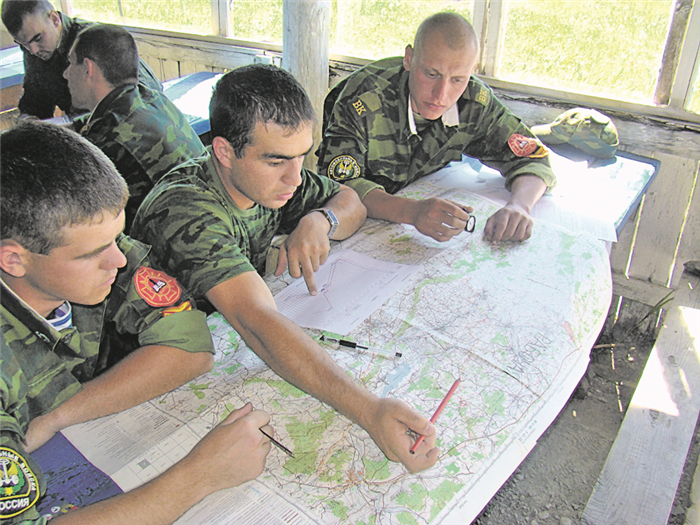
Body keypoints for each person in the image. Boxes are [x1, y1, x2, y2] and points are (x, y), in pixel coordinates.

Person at [132, 64, 440, 474]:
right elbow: (257, 321)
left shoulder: (267, 178)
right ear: (224, 152)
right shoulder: (186, 209)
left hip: (215, 346)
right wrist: (369, 410)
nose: (295, 177)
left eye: (302, 157)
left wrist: (319, 221)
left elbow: (352, 201)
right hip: (146, 375)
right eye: (277, 160)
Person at [0, 121, 272, 524]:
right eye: (94, 253)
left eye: (117, 238)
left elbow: (191, 346)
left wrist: (57, 415)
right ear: (13, 260)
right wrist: (198, 476)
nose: (120, 260)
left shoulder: (89, 250)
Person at [316, 12, 557, 244]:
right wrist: (412, 212)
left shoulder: (473, 102)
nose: (442, 94)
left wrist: (519, 206)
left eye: (457, 79)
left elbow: (531, 157)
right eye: (432, 74)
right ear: (409, 59)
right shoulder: (363, 101)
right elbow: (338, 186)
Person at [64, 24, 206, 232]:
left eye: (70, 64)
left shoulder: (106, 141)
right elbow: (99, 120)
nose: (66, 74)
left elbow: (84, 220)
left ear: (87, 69)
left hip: (166, 253)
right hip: (207, 226)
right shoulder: (152, 98)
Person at [1, 0, 162, 120]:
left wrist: (77, 126)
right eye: (23, 45)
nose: (33, 50)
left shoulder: (96, 41)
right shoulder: (34, 49)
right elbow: (35, 103)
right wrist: (28, 121)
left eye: (37, 38)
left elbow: (147, 100)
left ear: (55, 19)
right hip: (85, 135)